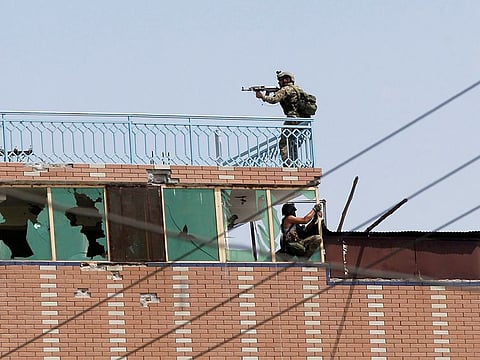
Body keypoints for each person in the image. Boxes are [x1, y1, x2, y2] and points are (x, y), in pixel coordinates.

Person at [255, 71, 310, 167]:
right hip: (302, 119)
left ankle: (287, 164)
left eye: (280, 80)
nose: (279, 82)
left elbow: (274, 100)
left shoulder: (286, 90)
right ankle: (294, 162)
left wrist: (262, 96)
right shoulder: (298, 89)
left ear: (286, 80)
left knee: (284, 142)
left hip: (293, 119)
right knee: (292, 141)